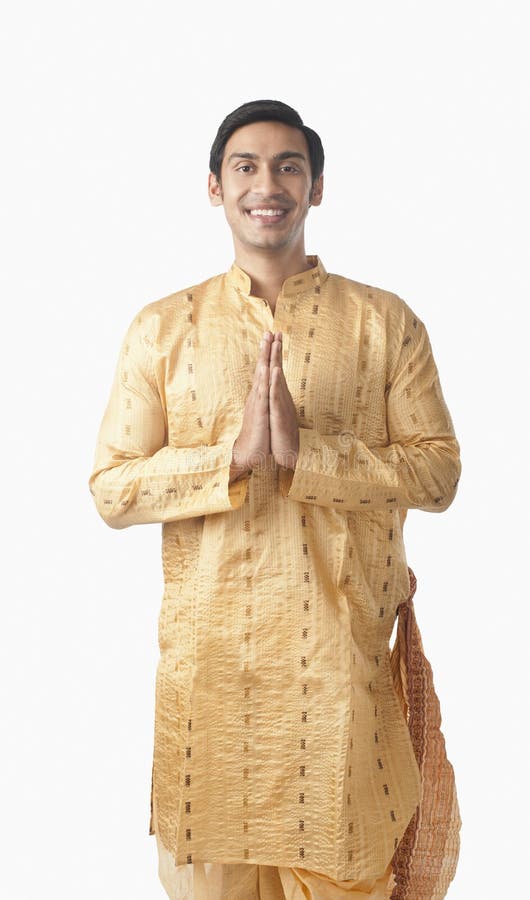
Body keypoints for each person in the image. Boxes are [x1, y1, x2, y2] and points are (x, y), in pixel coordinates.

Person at [88, 99, 462, 900]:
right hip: (207, 688)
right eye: (246, 167)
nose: (269, 184)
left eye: (289, 166)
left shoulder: (382, 324)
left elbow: (438, 476)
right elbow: (113, 489)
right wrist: (231, 459)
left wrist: (307, 454)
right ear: (215, 189)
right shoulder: (163, 328)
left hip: (337, 684)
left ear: (316, 187)